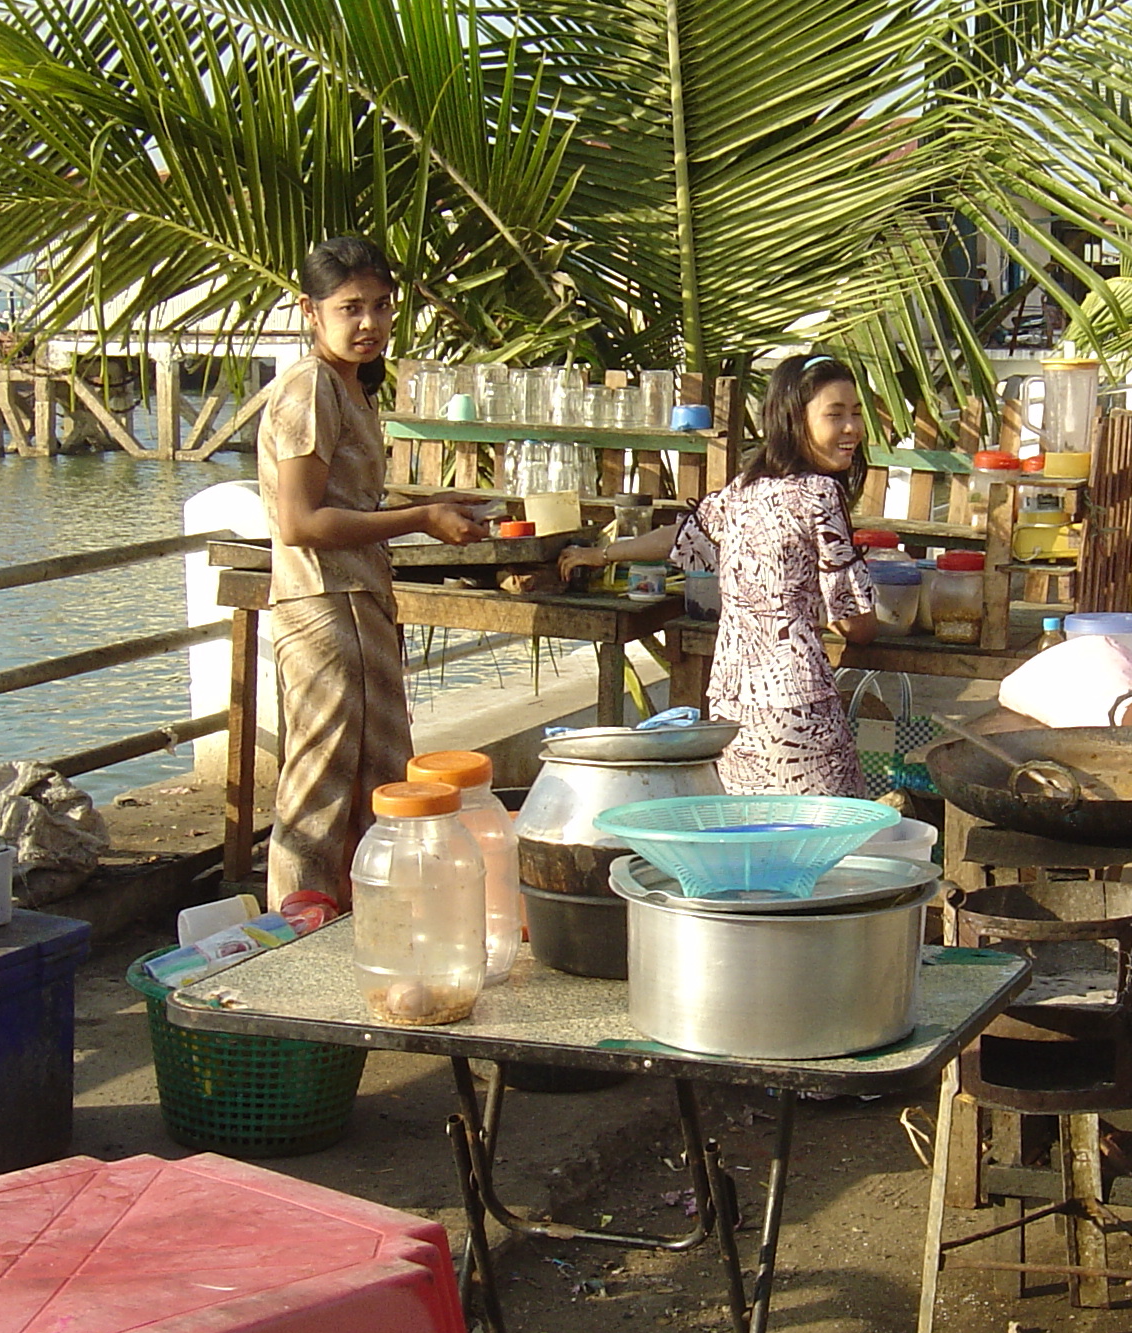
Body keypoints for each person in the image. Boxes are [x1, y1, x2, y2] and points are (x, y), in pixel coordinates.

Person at [258, 236, 488, 908]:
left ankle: (364, 924)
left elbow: (348, 506)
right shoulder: (310, 387)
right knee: (320, 788)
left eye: (381, 307)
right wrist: (419, 521)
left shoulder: (350, 388)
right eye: (350, 308)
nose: (369, 323)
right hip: (322, 606)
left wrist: (432, 506)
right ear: (310, 310)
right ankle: (293, 934)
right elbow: (300, 521)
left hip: (361, 603)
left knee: (379, 783)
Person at [564, 353, 878, 793]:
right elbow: (855, 624)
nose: (852, 429)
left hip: (732, 707)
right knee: (824, 837)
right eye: (835, 415)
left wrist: (603, 554)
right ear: (794, 420)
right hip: (795, 705)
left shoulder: (744, 489)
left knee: (751, 842)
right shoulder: (821, 493)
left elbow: (680, 536)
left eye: (856, 414)